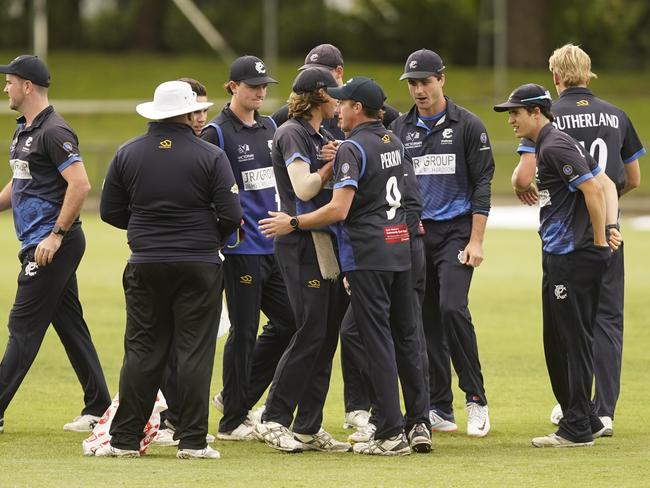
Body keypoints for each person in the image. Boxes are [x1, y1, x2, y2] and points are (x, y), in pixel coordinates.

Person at [259, 76, 431, 456]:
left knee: (377, 342)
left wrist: (293, 222)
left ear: (357, 108)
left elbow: (339, 208)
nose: (338, 108)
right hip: (400, 249)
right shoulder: (394, 139)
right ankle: (417, 421)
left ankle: (389, 433)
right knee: (406, 337)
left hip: (368, 255)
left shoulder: (352, 147)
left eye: (344, 103)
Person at [97, 80, 242, 459]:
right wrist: (202, 236)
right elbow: (231, 215)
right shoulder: (210, 155)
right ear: (186, 112)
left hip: (145, 262)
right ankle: (192, 441)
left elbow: (110, 211)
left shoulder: (128, 152)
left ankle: (125, 440)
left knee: (142, 349)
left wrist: (148, 228)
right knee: (193, 351)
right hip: (199, 262)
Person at [512, 44, 645, 436]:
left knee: (569, 321)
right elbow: (632, 178)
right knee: (607, 318)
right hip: (611, 230)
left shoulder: (550, 120)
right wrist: (606, 217)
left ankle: (576, 408)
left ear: (555, 77)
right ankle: (603, 411)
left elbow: (523, 177)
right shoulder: (617, 114)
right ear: (589, 74)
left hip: (571, 236)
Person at [495, 83, 622, 447]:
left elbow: (595, 190)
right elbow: (605, 181)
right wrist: (610, 229)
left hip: (572, 257)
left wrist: (600, 240)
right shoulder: (551, 143)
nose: (512, 120)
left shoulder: (554, 145)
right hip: (562, 255)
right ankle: (583, 418)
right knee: (559, 339)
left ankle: (577, 428)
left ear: (537, 112)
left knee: (569, 342)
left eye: (516, 113)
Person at [0, 54, 111, 435]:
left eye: (10, 82)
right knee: (70, 324)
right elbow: (20, 183)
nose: (6, 88)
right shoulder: (24, 130)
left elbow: (80, 184)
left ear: (27, 86)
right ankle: (99, 405)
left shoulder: (54, 131)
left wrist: (56, 235)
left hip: (52, 243)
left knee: (23, 327)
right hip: (39, 240)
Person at [389, 49, 494, 437]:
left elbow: (482, 185)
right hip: (417, 235)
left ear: (442, 79)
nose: (419, 90)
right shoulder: (400, 128)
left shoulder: (468, 124)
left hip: (455, 232)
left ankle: (476, 399)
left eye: (425, 82)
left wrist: (476, 240)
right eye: (413, 83)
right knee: (425, 319)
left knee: (452, 308)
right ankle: (439, 406)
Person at [199, 55, 296, 441]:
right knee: (244, 330)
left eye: (263, 87)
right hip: (240, 249)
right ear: (232, 87)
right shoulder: (215, 133)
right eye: (252, 86)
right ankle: (232, 421)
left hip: (273, 245)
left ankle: (235, 398)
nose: (259, 92)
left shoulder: (271, 126)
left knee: (291, 323)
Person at [253, 67, 350, 453]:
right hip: (299, 242)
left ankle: (308, 425)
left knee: (326, 335)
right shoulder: (292, 131)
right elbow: (304, 186)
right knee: (310, 329)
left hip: (322, 241)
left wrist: (334, 155)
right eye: (335, 96)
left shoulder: (321, 134)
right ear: (319, 96)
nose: (339, 103)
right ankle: (274, 418)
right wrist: (330, 166)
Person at [154, 76, 216, 446]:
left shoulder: (206, 147)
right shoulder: (203, 151)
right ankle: (174, 422)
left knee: (176, 343)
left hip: (193, 256)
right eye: (195, 110)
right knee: (178, 343)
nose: (200, 117)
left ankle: (177, 421)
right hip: (195, 258)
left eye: (204, 110)